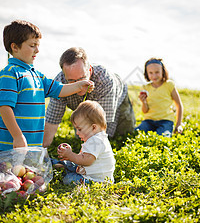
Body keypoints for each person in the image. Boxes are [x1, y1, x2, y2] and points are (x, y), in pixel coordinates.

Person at [0, 20, 94, 151]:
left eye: (37, 45)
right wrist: (17, 135)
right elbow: (4, 107)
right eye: (32, 45)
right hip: (12, 145)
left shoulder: (37, 76)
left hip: (33, 146)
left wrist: (79, 86)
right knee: (10, 171)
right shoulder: (10, 73)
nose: (37, 50)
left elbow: (59, 89)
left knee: (28, 171)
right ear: (15, 47)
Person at [43, 47, 136, 147]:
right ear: (64, 75)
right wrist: (42, 150)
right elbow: (52, 120)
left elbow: (103, 125)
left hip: (117, 98)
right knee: (82, 136)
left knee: (123, 133)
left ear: (90, 70)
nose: (78, 85)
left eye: (82, 78)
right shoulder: (59, 83)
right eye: (72, 80)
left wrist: (91, 153)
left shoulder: (105, 80)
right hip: (82, 106)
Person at [56, 100, 115, 184]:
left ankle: (61, 168)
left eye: (79, 129)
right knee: (70, 164)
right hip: (88, 171)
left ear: (93, 127)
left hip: (96, 180)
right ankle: (62, 165)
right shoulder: (96, 138)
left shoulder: (96, 140)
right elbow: (84, 156)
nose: (77, 132)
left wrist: (70, 155)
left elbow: (87, 161)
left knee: (68, 179)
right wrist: (71, 156)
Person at [135, 58, 183, 137]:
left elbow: (179, 105)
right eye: (150, 73)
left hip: (165, 121)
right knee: (136, 134)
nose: (154, 75)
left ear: (163, 72)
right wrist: (144, 102)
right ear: (147, 74)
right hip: (149, 121)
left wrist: (178, 125)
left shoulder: (169, 85)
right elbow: (145, 111)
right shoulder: (145, 87)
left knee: (163, 137)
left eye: (157, 72)